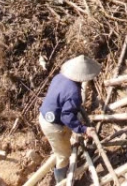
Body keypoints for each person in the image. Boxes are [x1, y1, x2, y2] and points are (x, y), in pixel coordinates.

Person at [39, 55, 101, 184]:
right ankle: (61, 181)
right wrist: (84, 129)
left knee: (70, 128)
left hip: (47, 114)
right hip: (52, 125)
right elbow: (66, 116)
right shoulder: (74, 93)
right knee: (63, 155)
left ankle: (70, 143)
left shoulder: (59, 77)